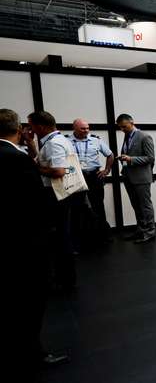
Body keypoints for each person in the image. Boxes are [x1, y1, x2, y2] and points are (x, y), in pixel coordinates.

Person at [1, 109, 69, 376]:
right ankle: (32, 353)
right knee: (30, 300)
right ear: (19, 129)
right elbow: (34, 202)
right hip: (26, 240)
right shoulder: (17, 159)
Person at [27, 110, 77, 291]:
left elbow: (58, 171)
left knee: (60, 236)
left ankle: (65, 279)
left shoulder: (54, 143)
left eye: (31, 125)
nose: (29, 129)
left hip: (55, 195)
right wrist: (31, 145)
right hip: (62, 193)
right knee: (61, 234)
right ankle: (65, 277)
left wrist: (36, 168)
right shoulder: (59, 140)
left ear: (40, 126)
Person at [68, 118, 114, 248]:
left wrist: (106, 170)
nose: (86, 130)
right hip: (76, 176)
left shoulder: (96, 140)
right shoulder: (66, 141)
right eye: (83, 128)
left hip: (94, 176)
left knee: (98, 206)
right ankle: (77, 240)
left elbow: (110, 155)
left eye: (87, 128)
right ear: (75, 128)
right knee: (76, 207)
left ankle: (104, 237)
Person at [116, 114, 156, 244]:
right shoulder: (127, 136)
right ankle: (141, 230)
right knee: (136, 206)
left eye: (124, 126)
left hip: (141, 178)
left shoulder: (144, 136)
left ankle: (150, 232)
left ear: (132, 122)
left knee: (145, 206)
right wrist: (124, 158)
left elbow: (150, 158)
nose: (122, 129)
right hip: (128, 176)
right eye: (120, 127)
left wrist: (130, 159)